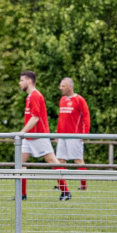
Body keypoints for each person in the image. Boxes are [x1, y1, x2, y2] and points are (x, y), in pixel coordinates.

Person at [18, 70, 70, 201]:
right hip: (29, 137)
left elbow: (35, 118)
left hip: (39, 136)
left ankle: (66, 192)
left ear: (29, 81)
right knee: (19, 162)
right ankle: (22, 195)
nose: (20, 83)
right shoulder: (29, 96)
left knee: (53, 162)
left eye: (22, 80)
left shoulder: (36, 95)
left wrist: (21, 132)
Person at [56, 77, 90, 191]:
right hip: (62, 136)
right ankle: (62, 185)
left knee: (78, 160)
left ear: (70, 87)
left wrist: (84, 134)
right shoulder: (62, 100)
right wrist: (57, 133)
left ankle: (83, 186)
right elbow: (61, 118)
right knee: (60, 160)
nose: (60, 88)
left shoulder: (79, 99)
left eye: (63, 86)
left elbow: (86, 116)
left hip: (74, 135)